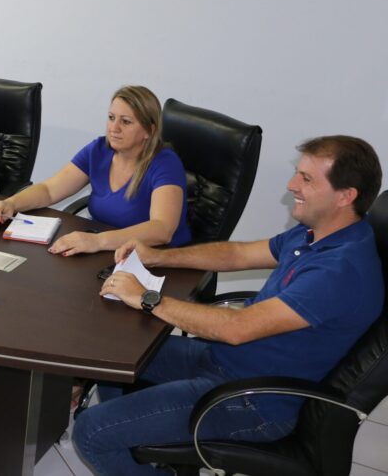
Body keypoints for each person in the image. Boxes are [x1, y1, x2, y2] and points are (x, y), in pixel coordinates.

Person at [73, 135, 384, 475]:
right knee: (114, 353)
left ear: (345, 196)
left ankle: (121, 437)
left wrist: (148, 298)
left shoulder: (339, 271)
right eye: (298, 173)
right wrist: (157, 256)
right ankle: (131, 442)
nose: (291, 184)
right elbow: (237, 254)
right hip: (224, 360)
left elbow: (237, 328)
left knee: (91, 431)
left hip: (252, 399)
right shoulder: (316, 232)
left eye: (307, 179)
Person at [0, 85, 191, 254]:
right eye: (111, 118)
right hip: (107, 252)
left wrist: (98, 241)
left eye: (126, 122)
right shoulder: (99, 150)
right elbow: (50, 190)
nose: (114, 128)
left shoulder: (165, 163)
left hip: (155, 260)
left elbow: (162, 229)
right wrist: (11, 203)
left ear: (149, 130)